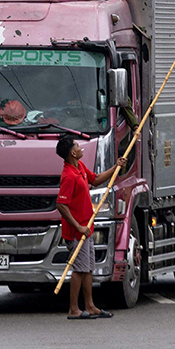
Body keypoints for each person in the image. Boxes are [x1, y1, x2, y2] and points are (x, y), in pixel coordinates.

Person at [55, 135, 126, 319]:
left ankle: (90, 305)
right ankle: (73, 309)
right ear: (72, 152)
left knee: (87, 268)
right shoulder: (69, 176)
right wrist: (78, 227)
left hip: (87, 229)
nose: (80, 147)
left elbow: (95, 179)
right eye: (77, 145)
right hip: (77, 232)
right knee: (79, 269)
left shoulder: (79, 167)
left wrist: (115, 167)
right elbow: (61, 205)